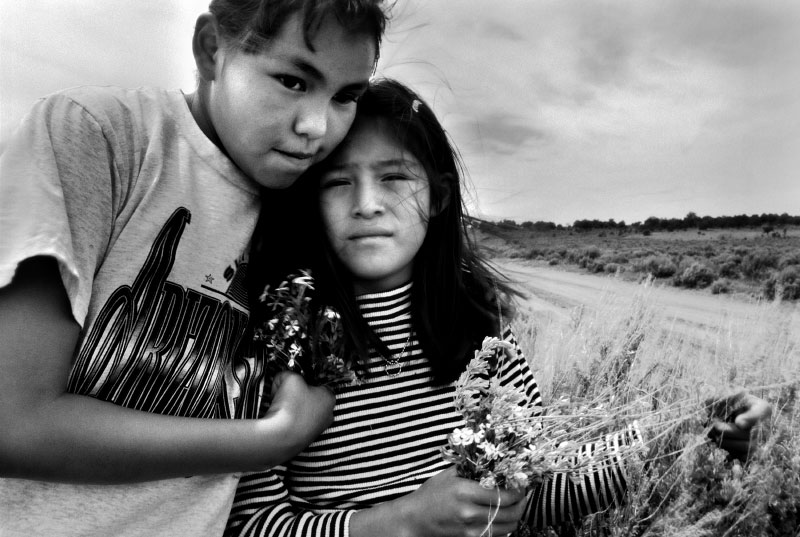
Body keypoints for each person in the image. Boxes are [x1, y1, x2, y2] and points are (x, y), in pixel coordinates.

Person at [227, 78, 774, 537]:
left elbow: (535, 491)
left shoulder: (481, 338)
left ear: (438, 196)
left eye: (394, 178)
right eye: (337, 182)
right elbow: (250, 524)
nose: (367, 203)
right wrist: (400, 522)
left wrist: (689, 426)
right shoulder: (281, 339)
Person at [0, 1, 388, 535]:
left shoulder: (307, 211)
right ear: (212, 50)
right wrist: (271, 439)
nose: (316, 127)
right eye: (293, 80)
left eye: (346, 96)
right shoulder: (99, 136)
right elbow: (12, 423)